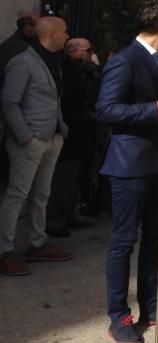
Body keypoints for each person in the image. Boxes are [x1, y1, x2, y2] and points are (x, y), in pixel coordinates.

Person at [96, 1, 158, 343]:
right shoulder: (124, 60)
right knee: (124, 241)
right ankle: (118, 315)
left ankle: (151, 306)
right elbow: (106, 109)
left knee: (157, 238)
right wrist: (152, 109)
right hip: (129, 166)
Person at [0, 17, 73, 277]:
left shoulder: (52, 61)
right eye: (64, 31)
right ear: (51, 34)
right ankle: (4, 251)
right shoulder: (23, 62)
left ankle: (37, 243)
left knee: (42, 194)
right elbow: (10, 103)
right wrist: (26, 138)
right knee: (17, 195)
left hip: (51, 136)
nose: (67, 36)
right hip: (30, 140)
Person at [46, 37, 99, 236]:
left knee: (74, 175)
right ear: (73, 51)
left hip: (78, 130)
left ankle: (68, 213)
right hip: (69, 129)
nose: (89, 54)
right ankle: (56, 219)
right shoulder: (65, 70)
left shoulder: (81, 70)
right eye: (87, 50)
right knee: (63, 177)